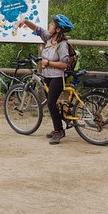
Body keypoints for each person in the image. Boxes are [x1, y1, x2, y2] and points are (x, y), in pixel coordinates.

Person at [14, 15, 74, 144]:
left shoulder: (62, 45)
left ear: (58, 29)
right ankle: (58, 128)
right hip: (47, 76)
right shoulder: (48, 38)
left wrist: (48, 63)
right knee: (52, 104)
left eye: (52, 24)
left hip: (58, 77)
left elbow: (65, 64)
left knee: (51, 103)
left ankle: (58, 131)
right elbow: (37, 28)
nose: (49, 26)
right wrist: (24, 21)